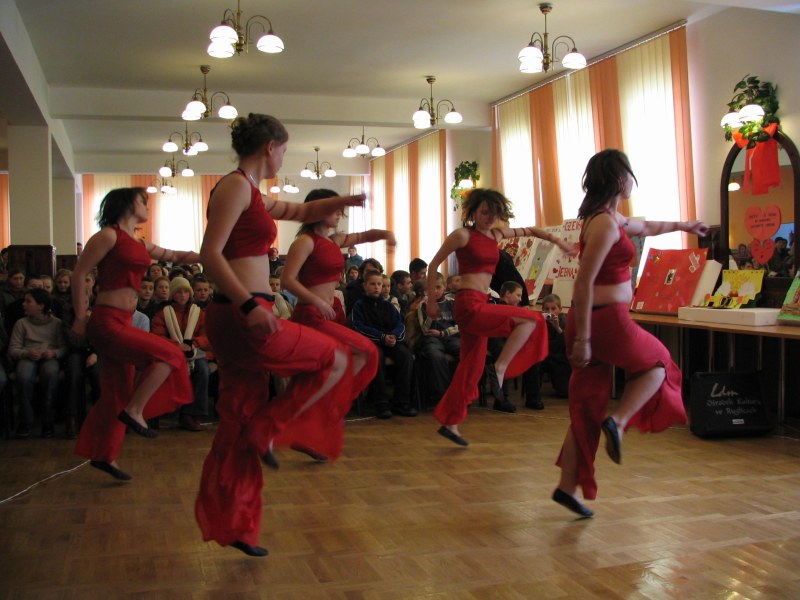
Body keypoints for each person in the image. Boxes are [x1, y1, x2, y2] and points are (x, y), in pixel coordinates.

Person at [194, 113, 363, 558]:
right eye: (285, 149)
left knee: (238, 417)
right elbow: (209, 254)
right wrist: (249, 305)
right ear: (271, 146)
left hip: (239, 313)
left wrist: (345, 199)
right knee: (336, 358)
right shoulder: (235, 187)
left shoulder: (252, 192)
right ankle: (270, 430)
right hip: (244, 313)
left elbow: (302, 212)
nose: (285, 157)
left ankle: (235, 524)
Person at [552, 149, 708, 519]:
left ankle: (566, 488)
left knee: (587, 407)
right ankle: (619, 421)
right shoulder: (605, 225)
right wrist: (583, 339)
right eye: (627, 174)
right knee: (660, 364)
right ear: (619, 178)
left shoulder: (608, 218)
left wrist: (684, 225)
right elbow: (583, 282)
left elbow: (647, 227)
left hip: (596, 321)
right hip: (603, 322)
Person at [426, 188, 576, 447]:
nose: (489, 217)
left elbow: (531, 230)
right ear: (473, 212)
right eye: (485, 212)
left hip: (482, 301)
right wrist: (431, 301)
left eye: (494, 213)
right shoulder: (462, 235)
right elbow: (433, 265)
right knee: (531, 319)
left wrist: (559, 241)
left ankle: (451, 423)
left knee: (471, 367)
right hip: (469, 304)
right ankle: (500, 368)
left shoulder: (497, 234)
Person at [71, 187, 198, 481]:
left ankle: (105, 455)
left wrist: (214, 253)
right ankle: (136, 410)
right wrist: (79, 316)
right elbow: (79, 273)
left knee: (117, 394)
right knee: (170, 353)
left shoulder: (140, 243)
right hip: (107, 321)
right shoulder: (108, 236)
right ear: (127, 204)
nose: (147, 206)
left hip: (124, 322)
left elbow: (175, 254)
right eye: (143, 201)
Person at [279, 187, 394, 457]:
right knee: (365, 352)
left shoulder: (334, 240)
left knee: (348, 361)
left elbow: (365, 236)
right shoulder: (305, 242)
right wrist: (318, 302)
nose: (340, 213)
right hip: (311, 315)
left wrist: (386, 234)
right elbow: (287, 280)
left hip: (324, 313)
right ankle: (319, 415)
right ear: (318, 210)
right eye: (335, 208)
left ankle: (314, 422)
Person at [351, 271, 416, 419]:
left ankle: (401, 402)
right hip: (371, 342)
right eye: (372, 284)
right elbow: (359, 327)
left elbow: (399, 324)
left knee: (406, 356)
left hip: (389, 340)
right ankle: (381, 403)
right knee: (377, 357)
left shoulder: (388, 306)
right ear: (364, 286)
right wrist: (382, 336)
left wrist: (394, 336)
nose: (376, 287)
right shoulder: (359, 306)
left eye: (379, 284)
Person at [150, 276, 211, 432]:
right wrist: (177, 347)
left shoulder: (199, 313)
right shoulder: (163, 313)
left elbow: (207, 335)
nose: (183, 295)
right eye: (178, 292)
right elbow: (158, 336)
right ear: (173, 294)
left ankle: (190, 414)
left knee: (203, 370)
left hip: (193, 353)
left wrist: (194, 344)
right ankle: (171, 412)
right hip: (171, 354)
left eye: (186, 292)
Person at [8, 288, 68, 438]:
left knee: (50, 374)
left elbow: (64, 347)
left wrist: (54, 353)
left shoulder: (56, 323)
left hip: (49, 357)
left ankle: (48, 421)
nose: (24, 304)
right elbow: (13, 349)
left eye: (28, 301)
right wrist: (26, 353)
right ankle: (26, 420)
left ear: (41, 306)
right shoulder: (21, 323)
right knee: (23, 376)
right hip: (28, 356)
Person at [526, 293, 571, 409]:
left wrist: (557, 328)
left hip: (558, 358)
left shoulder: (564, 321)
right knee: (533, 366)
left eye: (553, 308)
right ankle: (533, 397)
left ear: (560, 309)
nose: (550, 312)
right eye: (547, 309)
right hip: (543, 356)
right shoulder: (539, 320)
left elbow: (567, 344)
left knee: (564, 392)